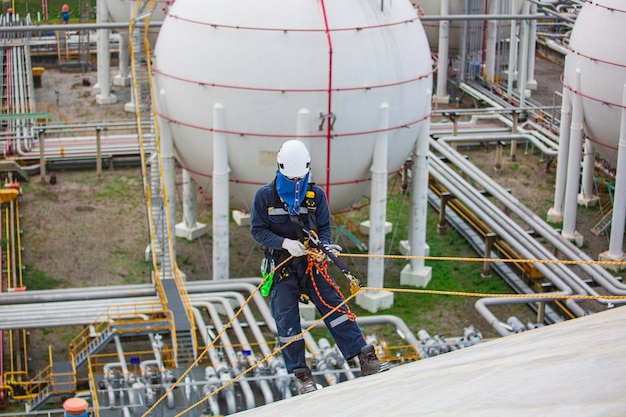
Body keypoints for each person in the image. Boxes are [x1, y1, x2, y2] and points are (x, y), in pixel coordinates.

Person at [250, 139, 389, 395]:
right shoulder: (265, 197)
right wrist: (284, 243)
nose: (295, 184)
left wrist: (325, 246)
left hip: (312, 263)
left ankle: (365, 358)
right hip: (281, 265)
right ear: (280, 169)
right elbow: (257, 231)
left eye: (299, 178)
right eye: (290, 178)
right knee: (286, 321)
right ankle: (303, 377)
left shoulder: (315, 197)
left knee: (335, 307)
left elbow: (324, 228)